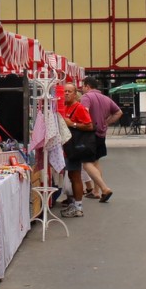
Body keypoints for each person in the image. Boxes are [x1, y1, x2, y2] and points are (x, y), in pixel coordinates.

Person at [80, 76, 121, 203]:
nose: (82, 89)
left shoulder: (86, 97)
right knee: (96, 162)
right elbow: (119, 112)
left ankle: (104, 188)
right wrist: (106, 122)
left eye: (83, 86)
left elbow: (84, 112)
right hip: (101, 134)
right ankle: (96, 191)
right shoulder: (106, 98)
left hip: (89, 134)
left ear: (87, 86)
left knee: (86, 163)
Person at [59, 82, 94, 218]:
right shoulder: (63, 107)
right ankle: (74, 204)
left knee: (75, 176)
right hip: (67, 147)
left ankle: (78, 207)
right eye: (64, 91)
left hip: (74, 147)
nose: (66, 93)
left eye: (69, 91)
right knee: (71, 176)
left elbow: (89, 126)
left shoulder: (79, 108)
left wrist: (72, 124)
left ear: (75, 94)